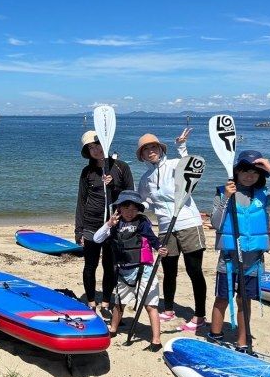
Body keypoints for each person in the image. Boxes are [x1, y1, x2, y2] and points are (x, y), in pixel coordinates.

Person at [208, 150, 270, 353]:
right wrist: (226, 196)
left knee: (244, 300)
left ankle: (242, 341)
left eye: (255, 171)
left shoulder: (263, 196)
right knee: (222, 298)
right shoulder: (223, 192)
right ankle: (215, 335)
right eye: (244, 171)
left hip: (253, 259)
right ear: (236, 172)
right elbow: (216, 222)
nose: (249, 175)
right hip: (228, 258)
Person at [137, 129, 208, 332]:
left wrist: (182, 146)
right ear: (142, 155)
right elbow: (147, 202)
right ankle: (168, 309)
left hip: (188, 223)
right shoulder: (146, 178)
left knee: (194, 271)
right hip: (166, 226)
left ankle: (199, 315)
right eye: (146, 149)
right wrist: (135, 207)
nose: (151, 151)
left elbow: (192, 170)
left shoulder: (174, 164)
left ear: (160, 149)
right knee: (169, 270)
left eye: (153, 147)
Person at [93, 191, 168, 351]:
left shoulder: (142, 223)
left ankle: (156, 340)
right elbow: (96, 239)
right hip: (124, 271)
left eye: (134, 209)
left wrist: (161, 248)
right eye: (126, 208)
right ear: (119, 208)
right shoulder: (114, 224)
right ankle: (113, 329)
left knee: (150, 306)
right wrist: (109, 224)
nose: (130, 212)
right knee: (119, 304)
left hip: (144, 270)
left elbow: (153, 239)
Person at [74, 131, 134, 316]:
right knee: (90, 265)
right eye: (91, 148)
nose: (95, 150)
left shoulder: (121, 167)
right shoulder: (87, 172)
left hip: (114, 224)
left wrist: (113, 185)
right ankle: (91, 302)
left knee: (111, 266)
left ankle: (106, 303)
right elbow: (81, 201)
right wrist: (79, 230)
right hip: (91, 225)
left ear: (105, 144)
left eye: (97, 145)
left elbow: (129, 197)